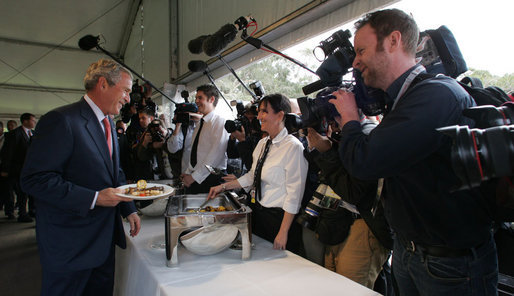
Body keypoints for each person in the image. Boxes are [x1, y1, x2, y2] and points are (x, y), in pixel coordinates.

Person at [329, 9, 497, 295]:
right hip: (409, 253)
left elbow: (366, 162)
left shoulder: (435, 96)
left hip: (449, 267)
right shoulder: (402, 101)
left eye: (361, 50)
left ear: (393, 41)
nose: (355, 62)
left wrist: (350, 120)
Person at [20, 59, 141, 296]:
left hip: (103, 242)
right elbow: (34, 179)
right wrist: (94, 198)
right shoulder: (61, 120)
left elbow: (113, 173)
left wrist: (130, 209)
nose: (128, 98)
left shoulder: (107, 123)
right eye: (126, 90)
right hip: (70, 246)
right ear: (103, 84)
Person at [208, 94, 308, 253]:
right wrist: (223, 187)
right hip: (260, 215)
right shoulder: (263, 143)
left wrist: (283, 232)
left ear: (280, 115)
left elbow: (294, 194)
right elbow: (252, 175)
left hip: (279, 220)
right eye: (259, 111)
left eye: (264, 112)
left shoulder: (293, 147)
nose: (259, 116)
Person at [181, 84, 229, 194]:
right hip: (197, 177)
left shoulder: (220, 122)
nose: (196, 101)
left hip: (211, 178)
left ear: (211, 99)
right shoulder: (199, 124)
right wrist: (188, 173)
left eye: (200, 98)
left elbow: (215, 156)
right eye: (196, 98)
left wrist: (193, 177)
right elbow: (195, 154)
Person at [1, 113, 37, 222]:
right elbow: (7, 153)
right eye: (32, 120)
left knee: (29, 192)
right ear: (25, 121)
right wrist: (5, 169)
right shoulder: (14, 134)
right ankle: (21, 213)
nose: (34, 122)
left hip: (29, 169)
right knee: (20, 193)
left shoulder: (33, 134)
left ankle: (31, 210)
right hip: (16, 169)